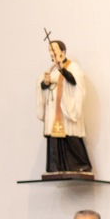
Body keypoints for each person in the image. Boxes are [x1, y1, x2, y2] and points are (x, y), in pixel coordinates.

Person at [36, 40, 93, 176]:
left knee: (71, 137)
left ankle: (81, 165)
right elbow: (41, 86)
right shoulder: (51, 70)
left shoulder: (72, 67)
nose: (52, 53)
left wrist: (62, 69)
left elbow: (76, 82)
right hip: (53, 111)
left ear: (62, 52)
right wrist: (45, 83)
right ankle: (55, 167)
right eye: (50, 51)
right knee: (54, 139)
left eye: (54, 50)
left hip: (66, 110)